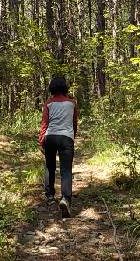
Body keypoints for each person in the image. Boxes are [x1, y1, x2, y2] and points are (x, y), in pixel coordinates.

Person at [39, 76, 79, 218]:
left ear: (52, 88)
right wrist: (73, 137)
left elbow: (44, 123)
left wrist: (41, 140)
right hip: (66, 138)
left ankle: (49, 196)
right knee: (66, 170)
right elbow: (74, 123)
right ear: (65, 88)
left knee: (50, 166)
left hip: (50, 137)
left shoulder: (48, 103)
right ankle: (65, 199)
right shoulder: (72, 103)